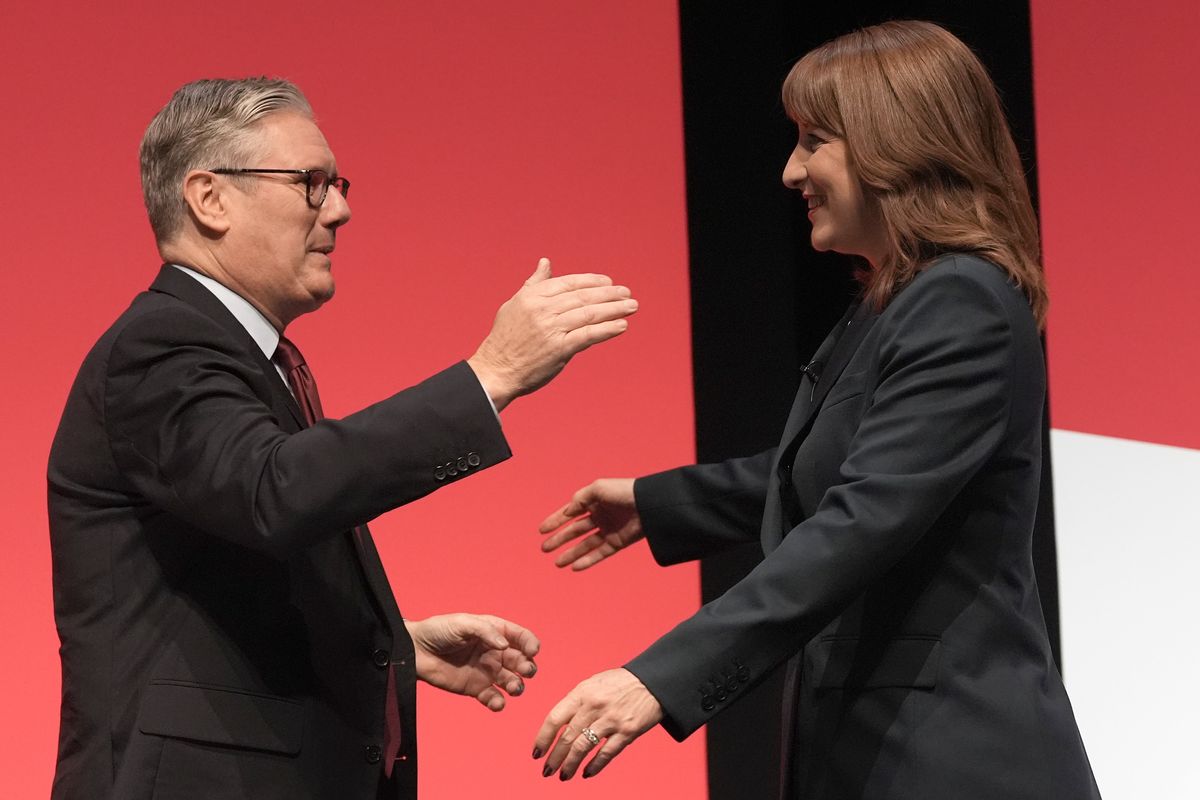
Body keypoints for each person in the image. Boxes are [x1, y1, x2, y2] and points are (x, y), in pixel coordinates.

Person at [533, 20, 1101, 799]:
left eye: (814, 142)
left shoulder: (959, 302)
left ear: (895, 146)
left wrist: (656, 679)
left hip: (956, 763)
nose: (790, 171)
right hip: (880, 755)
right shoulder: (896, 301)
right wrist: (662, 504)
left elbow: (863, 520)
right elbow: (848, 468)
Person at [47, 77, 638, 800]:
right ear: (210, 198)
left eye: (337, 183)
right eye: (311, 183)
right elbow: (274, 492)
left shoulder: (240, 355)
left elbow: (223, 576)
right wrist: (493, 374)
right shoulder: (161, 346)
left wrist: (393, 644)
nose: (342, 209)